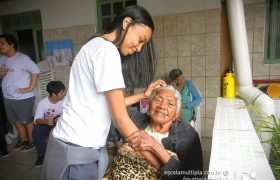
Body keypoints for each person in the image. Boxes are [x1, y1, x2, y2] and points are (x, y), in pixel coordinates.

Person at [42, 5, 166, 180]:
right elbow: (121, 119)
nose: (139, 48)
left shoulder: (94, 45)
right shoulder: (106, 51)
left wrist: (143, 95)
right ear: (127, 23)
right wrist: (163, 165)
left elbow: (109, 104)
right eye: (140, 39)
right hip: (76, 154)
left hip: (69, 146)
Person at [105, 86, 203, 179]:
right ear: (149, 105)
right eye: (158, 99)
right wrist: (143, 95)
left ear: (176, 115)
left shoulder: (186, 134)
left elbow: (193, 176)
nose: (162, 106)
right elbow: (110, 107)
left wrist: (155, 147)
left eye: (170, 104)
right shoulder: (135, 118)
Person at [0, 34, 40, 152]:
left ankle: (32, 141)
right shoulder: (2, 59)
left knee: (26, 120)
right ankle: (23, 140)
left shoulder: (22, 58)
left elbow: (35, 71)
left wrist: (30, 88)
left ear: (11, 44)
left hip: (23, 97)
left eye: (2, 43)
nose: (0, 46)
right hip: (8, 96)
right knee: (15, 120)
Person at [32, 81, 65, 168]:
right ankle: (41, 155)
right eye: (61, 92)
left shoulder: (65, 100)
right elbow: (37, 119)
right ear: (54, 94)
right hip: (48, 123)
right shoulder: (43, 103)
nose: (64, 94)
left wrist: (61, 118)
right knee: (37, 131)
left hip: (62, 123)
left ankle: (63, 154)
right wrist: (46, 121)